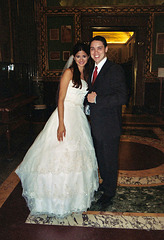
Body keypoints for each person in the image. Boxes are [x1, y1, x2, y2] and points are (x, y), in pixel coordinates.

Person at [15, 42, 99, 218]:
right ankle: (54, 199)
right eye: (78, 56)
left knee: (77, 159)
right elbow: (60, 100)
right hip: (66, 115)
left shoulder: (87, 73)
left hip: (79, 117)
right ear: (73, 57)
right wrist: (61, 123)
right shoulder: (69, 72)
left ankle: (74, 199)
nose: (81, 59)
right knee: (60, 155)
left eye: (84, 56)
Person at [87, 36, 128, 208]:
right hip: (96, 124)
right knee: (101, 158)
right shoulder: (91, 69)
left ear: (106, 49)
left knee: (110, 159)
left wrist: (98, 101)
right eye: (92, 49)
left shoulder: (114, 69)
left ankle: (110, 192)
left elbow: (122, 96)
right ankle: (105, 183)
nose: (95, 52)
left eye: (99, 48)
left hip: (110, 125)